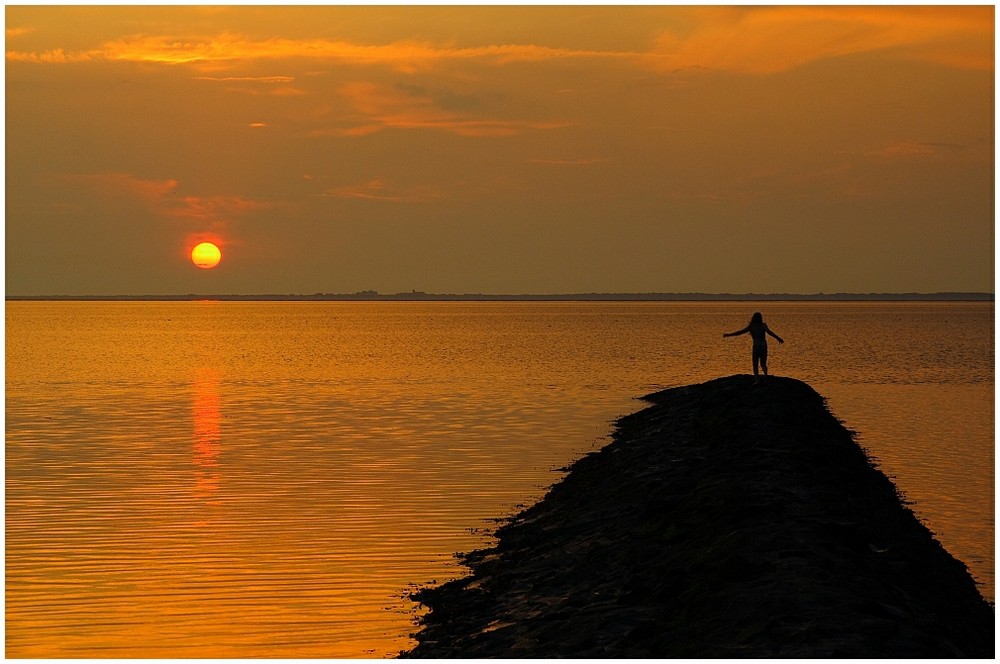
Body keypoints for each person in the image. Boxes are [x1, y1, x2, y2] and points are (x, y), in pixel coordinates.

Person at [723, 312, 784, 383]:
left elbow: (740, 332)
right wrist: (778, 338)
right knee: (763, 364)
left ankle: (757, 380)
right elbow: (770, 332)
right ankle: (765, 376)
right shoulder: (763, 325)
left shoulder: (751, 326)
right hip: (763, 346)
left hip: (756, 347)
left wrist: (729, 335)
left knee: (755, 364)